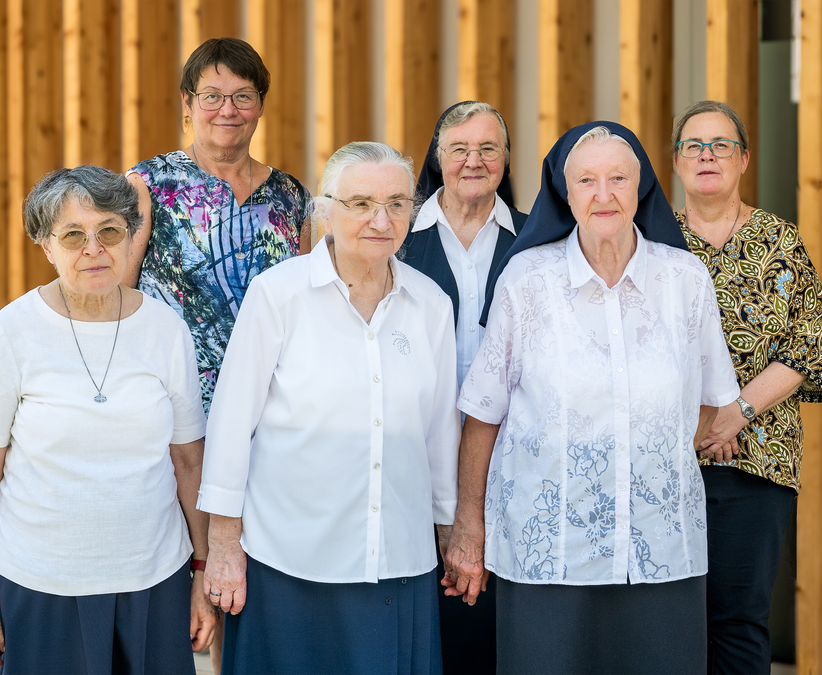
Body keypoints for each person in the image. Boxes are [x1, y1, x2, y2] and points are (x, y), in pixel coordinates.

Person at [444, 122, 740, 674]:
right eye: (586, 180)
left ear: (641, 188)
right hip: (548, 556)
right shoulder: (526, 281)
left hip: (661, 553)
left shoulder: (686, 279)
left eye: (618, 179)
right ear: (564, 191)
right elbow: (483, 415)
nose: (603, 194)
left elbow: (707, 404)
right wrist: (469, 524)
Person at [197, 142, 461, 675]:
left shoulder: (432, 304)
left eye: (396, 203)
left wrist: (450, 530)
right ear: (325, 213)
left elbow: (439, 436)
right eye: (360, 203)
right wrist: (223, 544)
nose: (380, 219)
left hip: (397, 561)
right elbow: (230, 425)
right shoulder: (278, 295)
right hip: (288, 562)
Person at [0, 166, 216, 673]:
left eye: (109, 231)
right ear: (46, 245)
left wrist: (203, 573)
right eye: (73, 235)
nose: (93, 249)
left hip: (154, 581)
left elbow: (189, 462)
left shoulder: (166, 329)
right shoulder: (11, 331)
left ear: (130, 236)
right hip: (39, 587)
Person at [672, 100, 822, 674]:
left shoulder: (780, 242)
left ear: (743, 160)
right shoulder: (654, 247)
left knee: (738, 619)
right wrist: (697, 428)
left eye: (720, 145)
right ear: (676, 162)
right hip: (667, 462)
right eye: (694, 145)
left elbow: (804, 350)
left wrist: (732, 415)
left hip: (758, 460)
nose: (707, 155)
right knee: (670, 619)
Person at [401, 100, 526, 675]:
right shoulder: (395, 237)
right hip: (409, 455)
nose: (473, 160)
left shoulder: (537, 241)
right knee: (419, 620)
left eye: (488, 148)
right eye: (459, 149)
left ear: (506, 159)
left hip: (509, 461)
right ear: (437, 157)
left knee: (491, 620)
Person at [125, 37, 312, 416]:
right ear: (188, 103)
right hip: (174, 405)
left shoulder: (291, 196)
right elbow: (118, 293)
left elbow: (306, 305)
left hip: (273, 405)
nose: (227, 110)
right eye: (212, 96)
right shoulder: (150, 184)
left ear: (260, 105)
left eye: (243, 96)